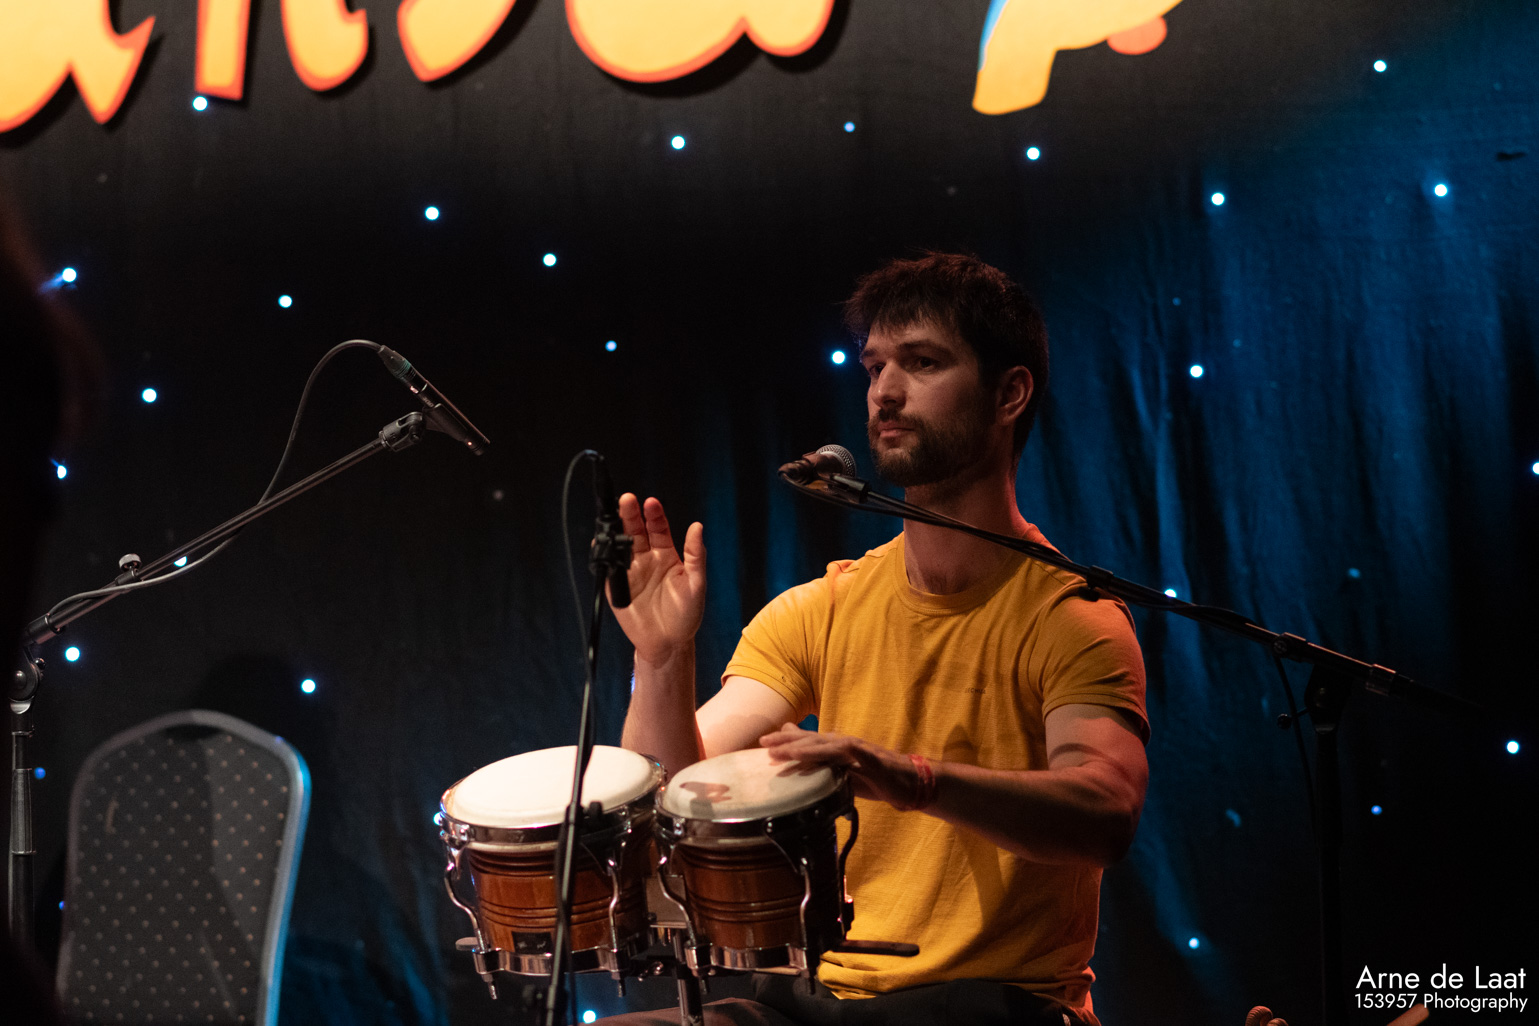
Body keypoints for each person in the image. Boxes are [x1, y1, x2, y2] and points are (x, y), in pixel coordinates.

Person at [605, 253, 1149, 1026]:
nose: (884, 392)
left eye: (922, 363)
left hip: (987, 1008)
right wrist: (661, 659)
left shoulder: (1071, 617)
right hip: (815, 1002)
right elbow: (672, 795)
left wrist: (911, 779)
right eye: (873, 367)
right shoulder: (821, 608)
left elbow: (1105, 811)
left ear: (1009, 393)